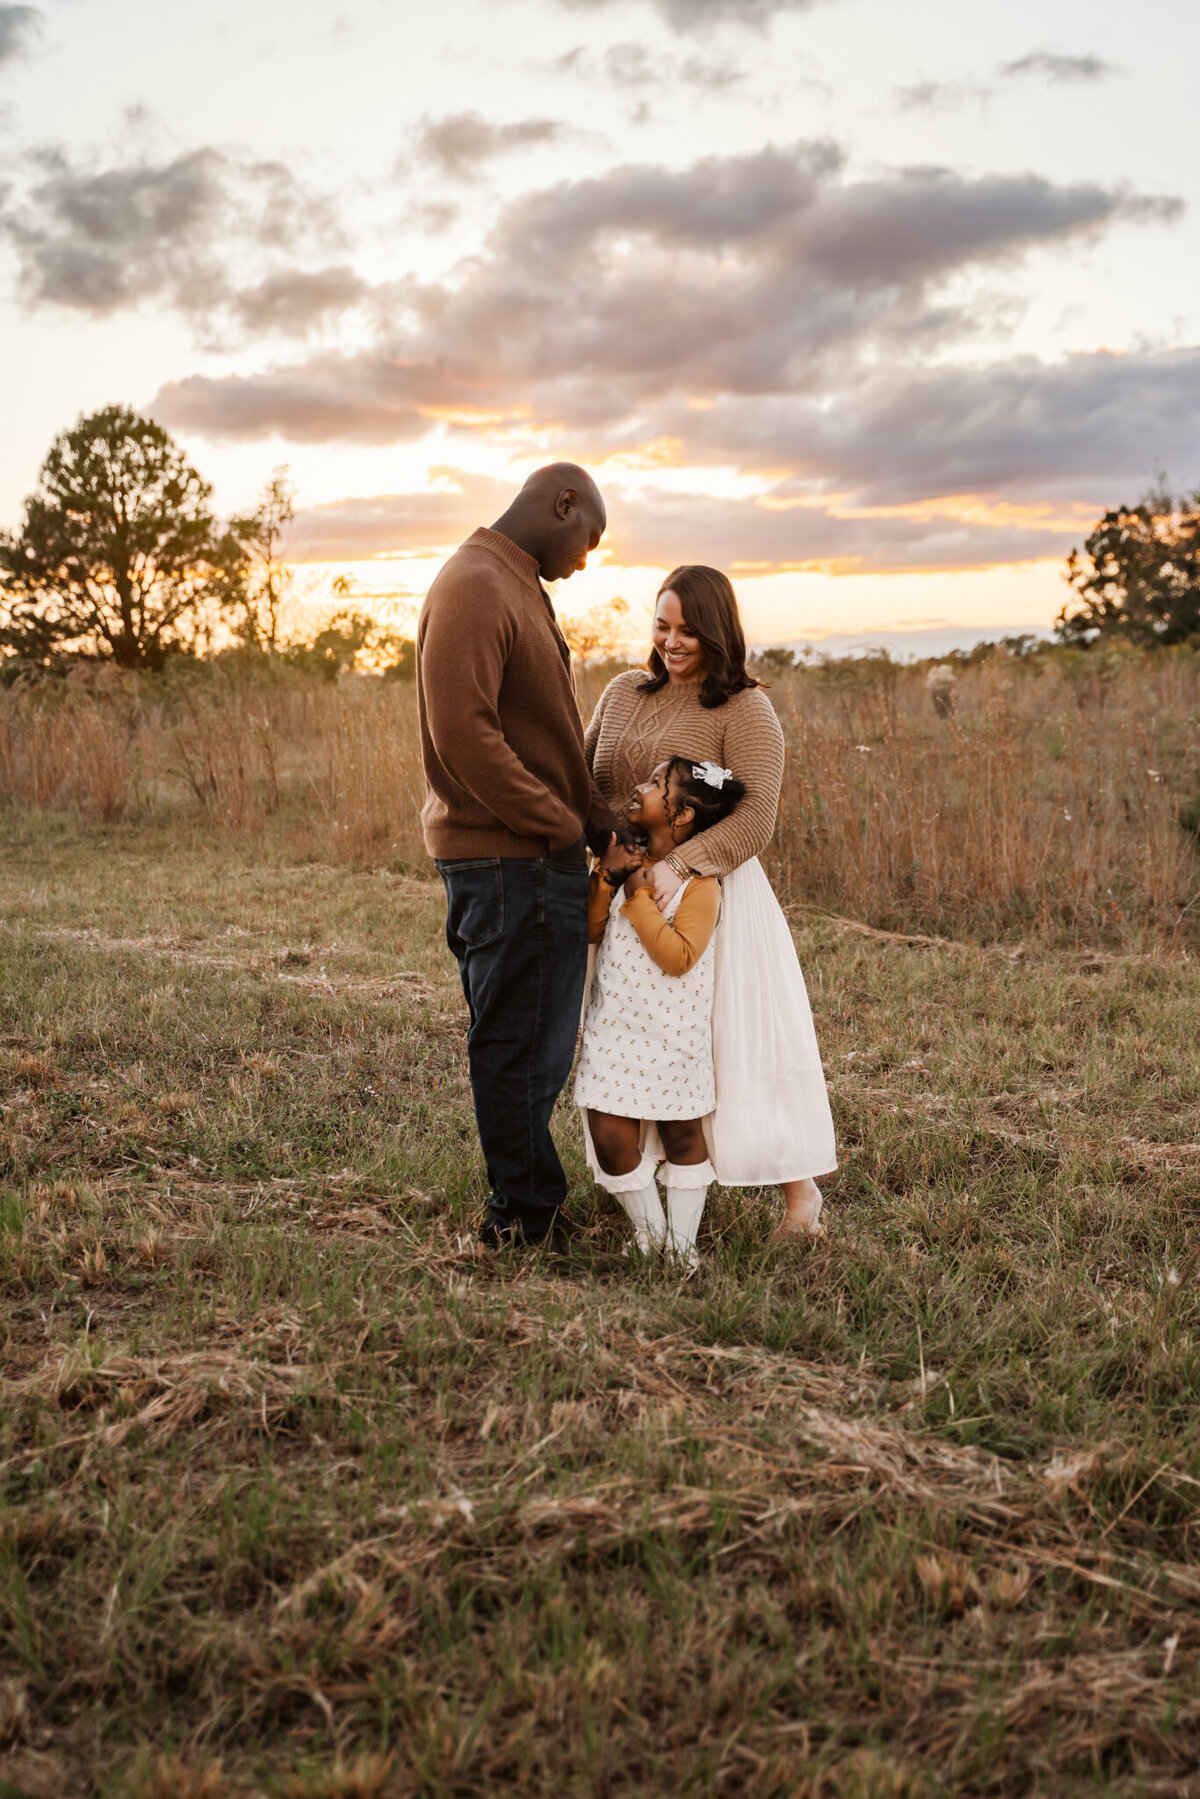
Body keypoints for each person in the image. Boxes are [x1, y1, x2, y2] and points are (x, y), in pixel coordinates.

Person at [584, 565, 836, 1236]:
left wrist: (686, 863)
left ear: (718, 632)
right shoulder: (622, 692)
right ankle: (646, 1192)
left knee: (735, 1045)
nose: (671, 642)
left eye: (688, 630)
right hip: (630, 885)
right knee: (640, 1038)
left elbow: (756, 815)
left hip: (711, 891)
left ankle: (798, 1193)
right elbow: (587, 774)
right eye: (662, 626)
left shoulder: (744, 708)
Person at [417, 463, 625, 1248]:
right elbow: (465, 735)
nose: (587, 558)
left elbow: (548, 742)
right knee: (518, 1042)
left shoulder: (517, 584)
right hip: (511, 858)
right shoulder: (476, 582)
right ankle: (524, 1219)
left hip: (533, 851)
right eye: (589, 538)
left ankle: (526, 1205)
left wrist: (597, 822)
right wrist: (560, 827)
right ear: (560, 504)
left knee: (533, 1039)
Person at [575, 757, 747, 1268]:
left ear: (683, 816)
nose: (639, 787)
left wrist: (639, 897)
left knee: (682, 1134)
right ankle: (649, 1234)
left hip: (673, 1031)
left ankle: (682, 1246)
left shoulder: (701, 885)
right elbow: (589, 930)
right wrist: (608, 878)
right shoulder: (622, 856)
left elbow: (678, 958)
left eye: (655, 784)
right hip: (615, 1022)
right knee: (608, 1132)